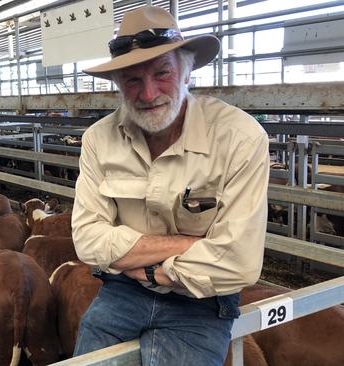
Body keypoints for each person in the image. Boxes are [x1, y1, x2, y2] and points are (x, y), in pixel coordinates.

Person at [71, 6, 269, 366]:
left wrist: (147, 268)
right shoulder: (98, 139)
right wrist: (188, 245)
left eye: (162, 73)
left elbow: (239, 262)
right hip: (124, 291)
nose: (148, 94)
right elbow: (87, 238)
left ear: (186, 71)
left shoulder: (239, 137)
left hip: (202, 302)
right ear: (118, 85)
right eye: (132, 80)